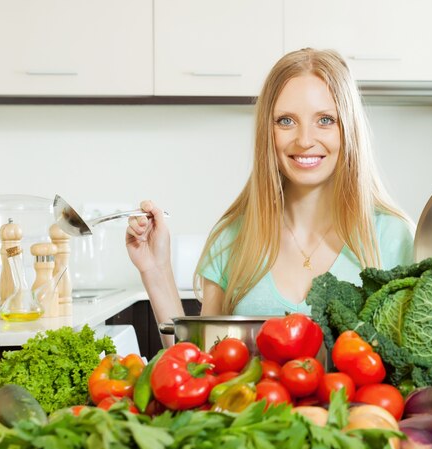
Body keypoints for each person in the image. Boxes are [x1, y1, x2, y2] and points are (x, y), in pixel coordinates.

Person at [126, 48, 414, 346]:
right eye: (286, 121)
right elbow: (199, 365)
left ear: (348, 129)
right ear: (268, 131)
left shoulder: (391, 237)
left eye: (325, 120)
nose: (304, 140)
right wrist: (155, 270)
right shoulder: (232, 237)